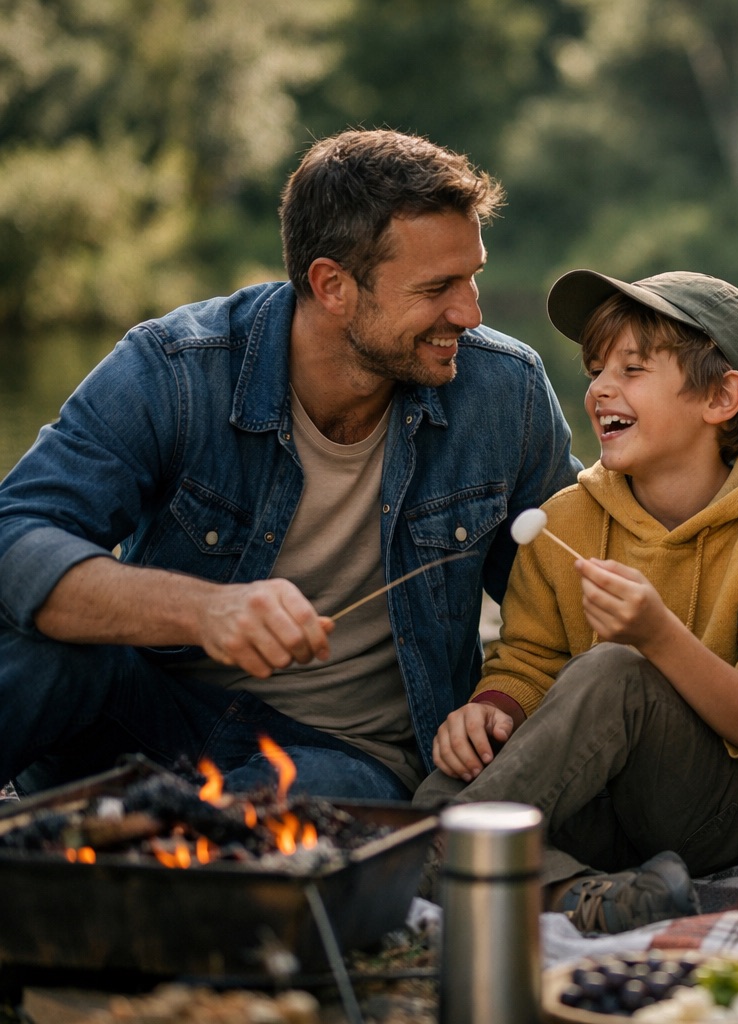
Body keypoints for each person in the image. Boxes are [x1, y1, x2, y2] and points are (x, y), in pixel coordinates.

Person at [0, 129, 581, 802]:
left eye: (473, 276)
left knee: (297, 803)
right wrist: (204, 611)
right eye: (438, 287)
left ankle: (170, 836)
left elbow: (556, 604)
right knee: (37, 652)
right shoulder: (177, 370)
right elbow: (16, 536)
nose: (470, 313)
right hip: (148, 714)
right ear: (332, 285)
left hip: (344, 759)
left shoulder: (507, 391)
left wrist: (502, 702)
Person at [413, 269, 738, 933]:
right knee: (453, 780)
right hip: (605, 802)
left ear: (721, 397)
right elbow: (528, 662)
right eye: (596, 368)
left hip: (735, 815)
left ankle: (438, 857)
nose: (600, 388)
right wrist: (492, 711)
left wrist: (658, 637)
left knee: (614, 671)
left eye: (632, 368)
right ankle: (590, 895)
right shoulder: (565, 521)